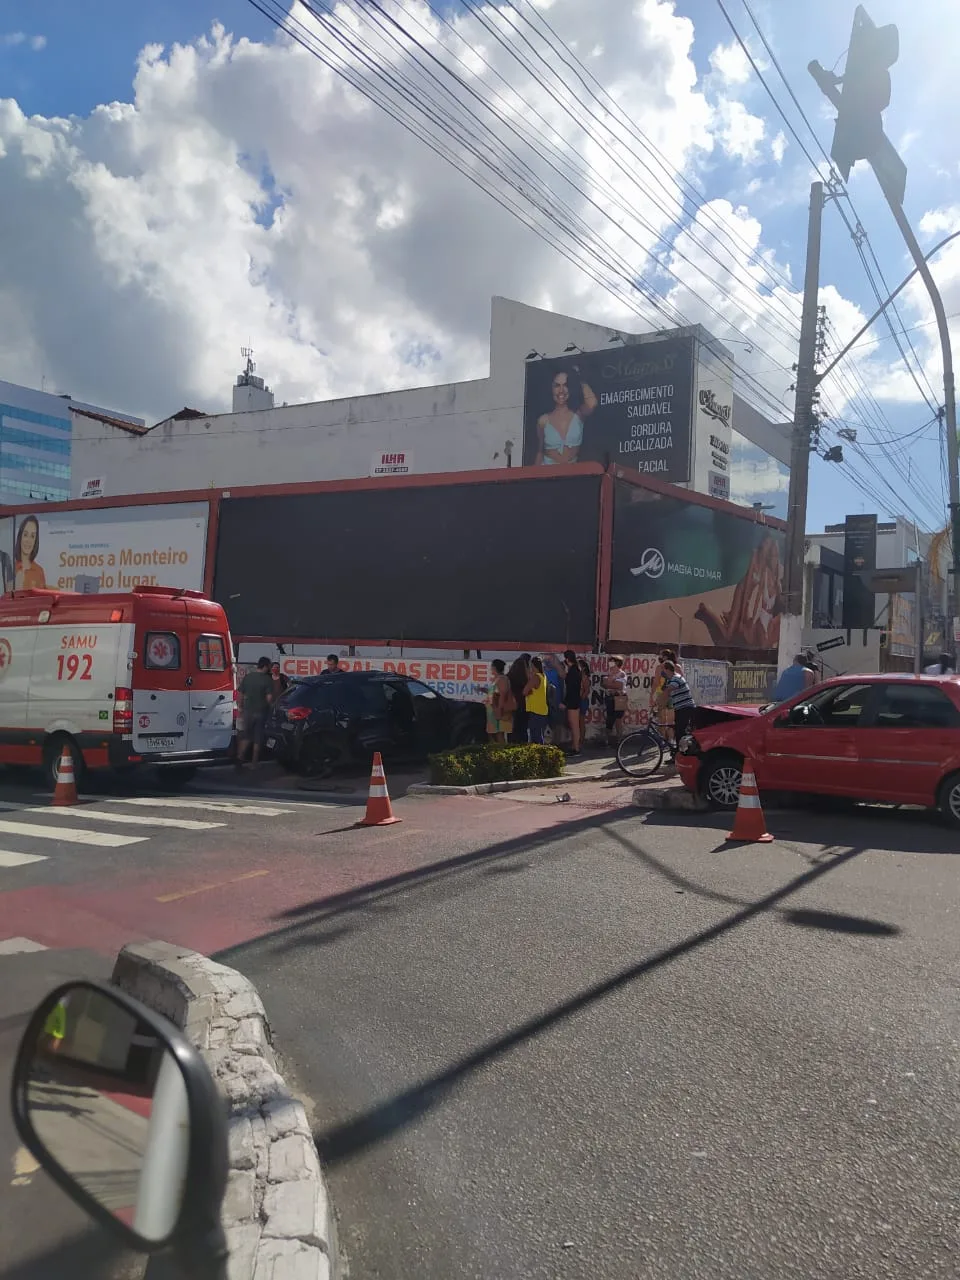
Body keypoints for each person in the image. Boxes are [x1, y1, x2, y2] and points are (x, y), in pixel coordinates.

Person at [533, 367, 597, 465]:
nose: (561, 390)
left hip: (572, 473)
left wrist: (578, 378)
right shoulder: (543, 420)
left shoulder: (579, 415)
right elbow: (539, 452)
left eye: (566, 385)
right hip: (547, 471)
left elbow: (592, 403)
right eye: (557, 386)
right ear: (551, 388)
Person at [236, 656, 274, 768]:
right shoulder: (267, 679)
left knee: (246, 736)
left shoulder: (248, 677)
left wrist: (240, 708)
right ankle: (254, 763)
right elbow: (269, 699)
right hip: (261, 712)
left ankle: (239, 758)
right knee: (258, 738)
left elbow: (240, 694)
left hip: (248, 712)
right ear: (266, 666)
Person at [660, 660, 695, 746]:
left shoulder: (676, 678)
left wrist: (656, 703)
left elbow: (667, 691)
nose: (662, 672)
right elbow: (668, 697)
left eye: (663, 669)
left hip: (686, 708)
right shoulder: (670, 680)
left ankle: (682, 755)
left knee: (680, 732)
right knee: (678, 732)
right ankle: (676, 754)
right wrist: (660, 707)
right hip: (679, 708)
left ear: (667, 669)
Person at [14, 515, 46, 590]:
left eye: (32, 536)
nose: (28, 540)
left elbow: (43, 600)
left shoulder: (39, 571)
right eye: (25, 535)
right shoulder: (10, 569)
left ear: (35, 540)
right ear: (20, 536)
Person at [485, 659, 514, 743]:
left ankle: (501, 752)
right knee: (493, 734)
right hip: (493, 711)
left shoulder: (502, 679)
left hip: (498, 711)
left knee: (499, 734)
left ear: (494, 668)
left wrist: (499, 710)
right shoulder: (497, 679)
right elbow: (495, 693)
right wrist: (485, 690)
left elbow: (502, 695)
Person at [603, 656, 628, 745]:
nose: (610, 663)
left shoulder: (622, 674)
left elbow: (619, 686)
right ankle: (606, 740)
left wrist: (610, 683)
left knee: (618, 719)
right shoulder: (609, 673)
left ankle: (619, 740)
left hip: (620, 697)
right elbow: (605, 684)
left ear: (617, 663)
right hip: (610, 697)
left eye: (612, 662)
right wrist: (611, 683)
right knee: (609, 718)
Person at [524, 656, 549, 744]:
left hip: (535, 710)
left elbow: (525, 691)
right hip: (542, 709)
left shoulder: (535, 677)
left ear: (533, 666)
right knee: (538, 734)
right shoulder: (543, 676)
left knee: (535, 735)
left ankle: (540, 754)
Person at [562, 650, 583, 754]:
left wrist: (565, 702)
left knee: (574, 725)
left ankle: (576, 748)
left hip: (572, 701)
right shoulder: (575, 669)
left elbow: (571, 689)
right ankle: (575, 746)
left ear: (567, 659)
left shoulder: (573, 671)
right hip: (575, 700)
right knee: (574, 725)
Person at [508, 654, 532, 744]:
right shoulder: (526, 679)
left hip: (513, 705)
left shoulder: (509, 677)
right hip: (525, 705)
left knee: (513, 729)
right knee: (523, 728)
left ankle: (512, 746)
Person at [577, 658, 592, 747]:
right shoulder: (579, 676)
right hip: (579, 700)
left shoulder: (585, 677)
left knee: (581, 721)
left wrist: (581, 698)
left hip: (582, 701)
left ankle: (581, 740)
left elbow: (587, 690)